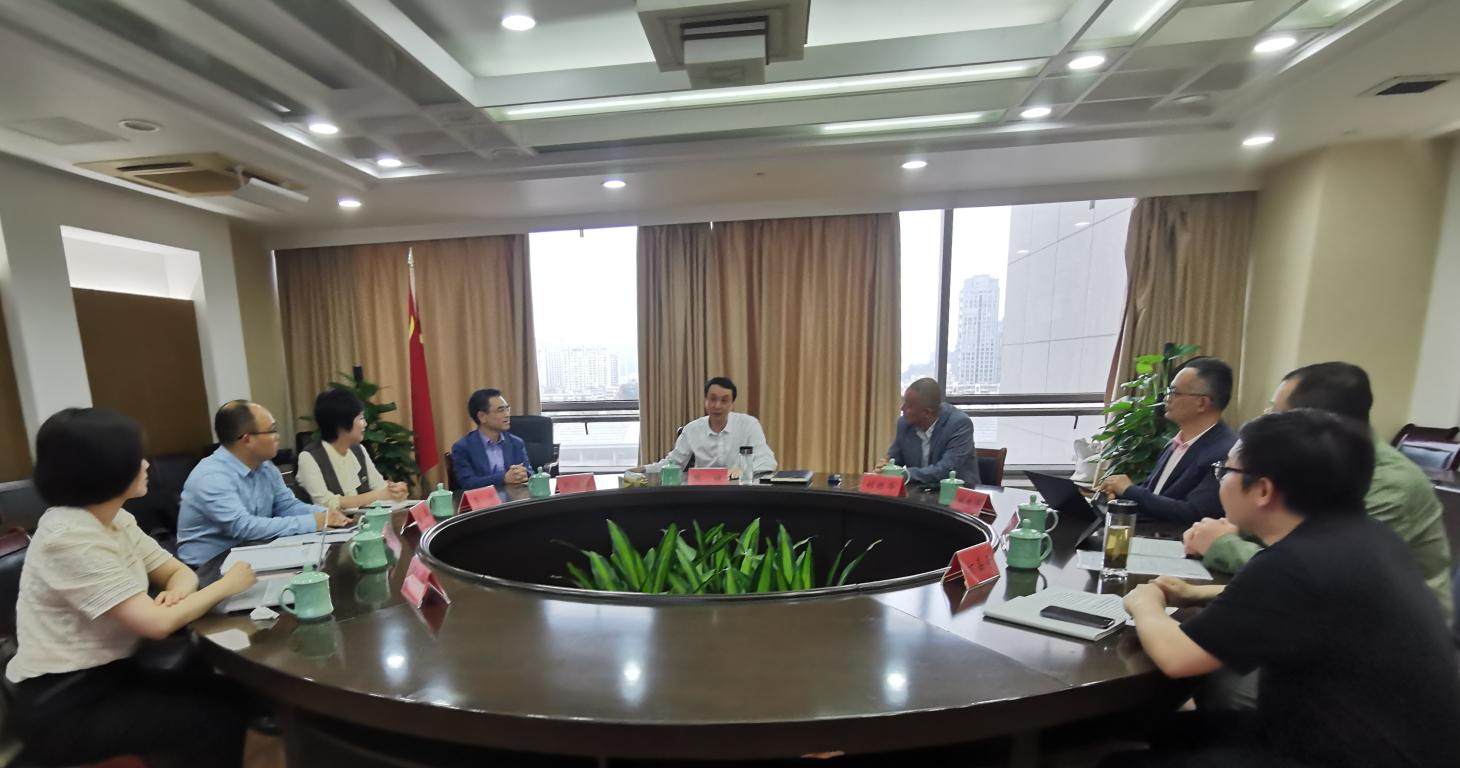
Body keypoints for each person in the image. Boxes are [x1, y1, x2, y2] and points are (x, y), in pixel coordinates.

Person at [1114, 410, 1460, 768]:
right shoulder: (1366, 537)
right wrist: (1196, 593)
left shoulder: (1296, 561)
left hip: (1341, 754)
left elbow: (1178, 657)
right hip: (1398, 743)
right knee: (1156, 728)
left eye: (1225, 470)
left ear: (1263, 490)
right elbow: (1314, 602)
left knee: (1123, 761)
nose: (1221, 481)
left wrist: (1145, 602)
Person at [5, 408, 259, 766]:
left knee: (229, 691)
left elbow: (177, 571)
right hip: (66, 701)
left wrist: (179, 593)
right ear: (103, 468)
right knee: (213, 718)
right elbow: (156, 625)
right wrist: (227, 584)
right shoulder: (67, 538)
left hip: (115, 674)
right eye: (135, 458)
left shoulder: (115, 519)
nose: (146, 465)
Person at [1183, 362, 1453, 622]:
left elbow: (1320, 575)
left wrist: (1222, 545)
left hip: (1388, 629)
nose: (1265, 422)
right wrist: (1226, 531)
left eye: (1276, 414)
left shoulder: (1388, 483)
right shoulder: (1318, 460)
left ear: (1314, 425)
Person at [177, 400, 349, 567]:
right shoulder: (211, 477)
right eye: (272, 430)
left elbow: (286, 506)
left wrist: (325, 515)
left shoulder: (265, 466)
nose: (277, 437)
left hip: (252, 552)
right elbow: (244, 527)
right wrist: (312, 522)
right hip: (209, 567)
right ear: (247, 439)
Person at [1097, 357, 1235, 523]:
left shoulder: (1226, 453)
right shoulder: (1175, 443)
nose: (1166, 398)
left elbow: (1195, 513)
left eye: (1174, 393)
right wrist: (1119, 493)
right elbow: (1155, 494)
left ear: (1202, 403)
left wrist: (1130, 490)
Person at [295, 388, 408, 511]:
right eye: (360, 418)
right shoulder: (309, 458)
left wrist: (395, 490)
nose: (365, 424)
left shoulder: (358, 450)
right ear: (341, 424)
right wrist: (378, 495)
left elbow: (379, 486)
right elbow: (326, 503)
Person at [642, 377, 777, 477]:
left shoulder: (748, 425)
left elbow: (767, 461)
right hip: (702, 492)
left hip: (738, 490)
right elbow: (673, 463)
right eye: (713, 399)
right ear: (705, 401)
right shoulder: (692, 430)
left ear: (732, 404)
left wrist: (744, 471)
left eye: (724, 400)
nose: (717, 406)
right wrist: (643, 469)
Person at [877, 377, 978, 485]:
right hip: (918, 491)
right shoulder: (904, 424)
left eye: (909, 406)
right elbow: (894, 460)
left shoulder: (959, 424)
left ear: (927, 413)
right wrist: (886, 467)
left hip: (955, 491)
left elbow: (946, 470)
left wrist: (905, 474)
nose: (902, 408)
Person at [451, 388, 531, 489]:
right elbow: (468, 483)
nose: (507, 415)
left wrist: (524, 474)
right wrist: (503, 478)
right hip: (482, 499)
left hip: (515, 497)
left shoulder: (516, 443)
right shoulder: (463, 447)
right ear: (482, 417)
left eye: (507, 409)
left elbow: (530, 474)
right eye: (501, 410)